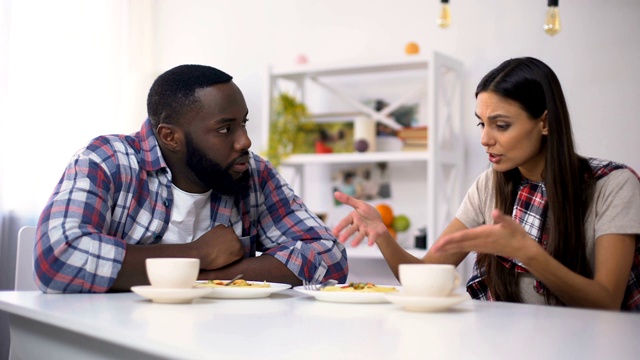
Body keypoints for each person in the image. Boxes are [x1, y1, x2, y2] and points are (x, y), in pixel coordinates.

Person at [334, 57, 640, 311]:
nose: (485, 139)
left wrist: (529, 252)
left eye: (501, 125)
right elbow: (425, 274)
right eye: (482, 123)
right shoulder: (489, 186)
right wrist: (383, 236)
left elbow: (607, 302)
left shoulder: (613, 185)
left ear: (545, 123)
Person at [35, 64, 348, 293]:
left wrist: (207, 276)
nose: (245, 142)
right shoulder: (108, 160)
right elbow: (58, 256)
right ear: (170, 136)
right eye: (225, 129)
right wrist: (199, 253)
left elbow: (328, 254)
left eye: (243, 124)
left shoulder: (252, 173)